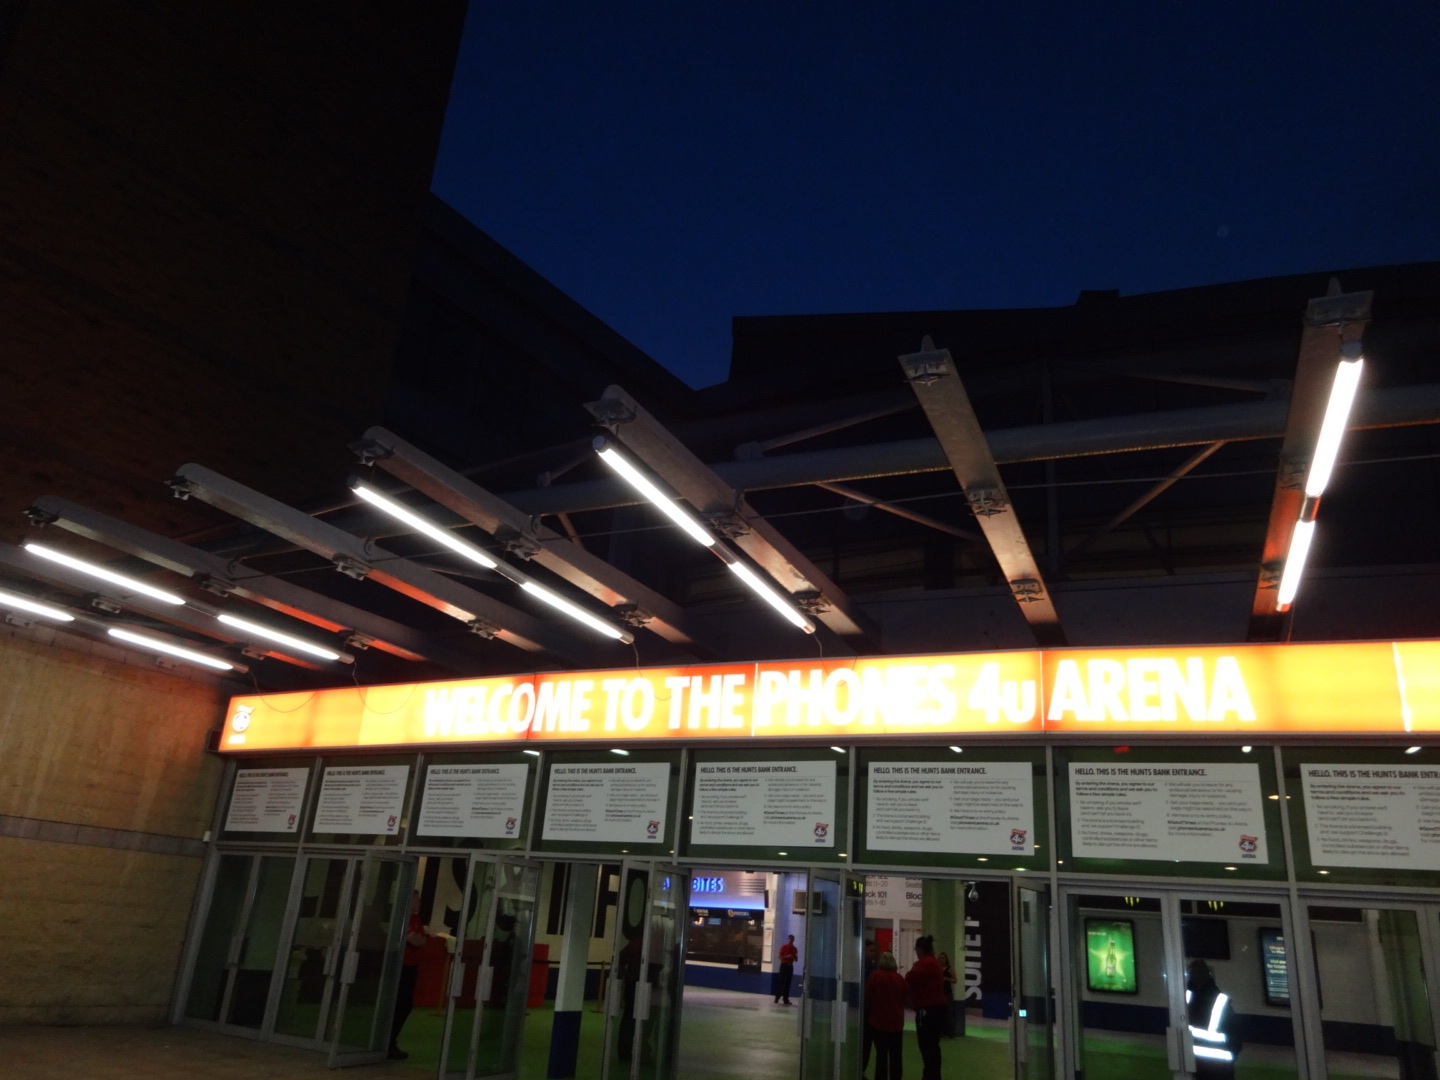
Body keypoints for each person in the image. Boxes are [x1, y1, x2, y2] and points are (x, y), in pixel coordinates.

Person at [389, 891, 430, 1060]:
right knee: (400, 1004)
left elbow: (422, 940)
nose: (419, 903)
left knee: (406, 1004)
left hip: (412, 966)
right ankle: (388, 1042)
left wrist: (418, 939)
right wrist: (418, 939)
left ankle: (390, 1041)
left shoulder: (416, 918)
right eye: (417, 900)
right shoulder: (403, 918)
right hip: (402, 966)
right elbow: (415, 939)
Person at [1186, 958, 1239, 1080]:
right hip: (1220, 1069)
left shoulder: (1185, 1000)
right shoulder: (1220, 1000)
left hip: (1196, 1067)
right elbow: (1235, 1038)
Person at [905, 934, 947, 1080]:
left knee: (926, 1045)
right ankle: (933, 1075)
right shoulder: (934, 963)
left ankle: (930, 1075)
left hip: (927, 1010)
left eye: (916, 949)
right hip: (937, 1010)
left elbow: (909, 978)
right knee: (933, 1046)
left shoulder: (923, 964)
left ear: (920, 949)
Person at [866, 952, 908, 1080]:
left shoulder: (874, 976)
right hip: (896, 1022)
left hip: (878, 1021)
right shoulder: (899, 978)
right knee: (896, 1055)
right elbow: (905, 998)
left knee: (881, 1055)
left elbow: (868, 996)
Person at [861, 939, 879, 1075]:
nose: (873, 954)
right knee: (865, 1042)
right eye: (871, 951)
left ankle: (861, 1070)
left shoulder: (873, 967)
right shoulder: (864, 968)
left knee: (867, 1043)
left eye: (874, 951)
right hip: (865, 1009)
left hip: (871, 1009)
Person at [775, 934, 799, 1005]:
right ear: (787, 939)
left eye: (791, 939)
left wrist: (793, 956)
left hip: (790, 966)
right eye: (789, 939)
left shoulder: (794, 949)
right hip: (784, 965)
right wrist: (787, 956)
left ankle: (786, 999)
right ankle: (777, 997)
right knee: (781, 982)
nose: (790, 940)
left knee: (788, 983)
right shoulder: (784, 947)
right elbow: (780, 957)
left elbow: (796, 959)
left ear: (793, 940)